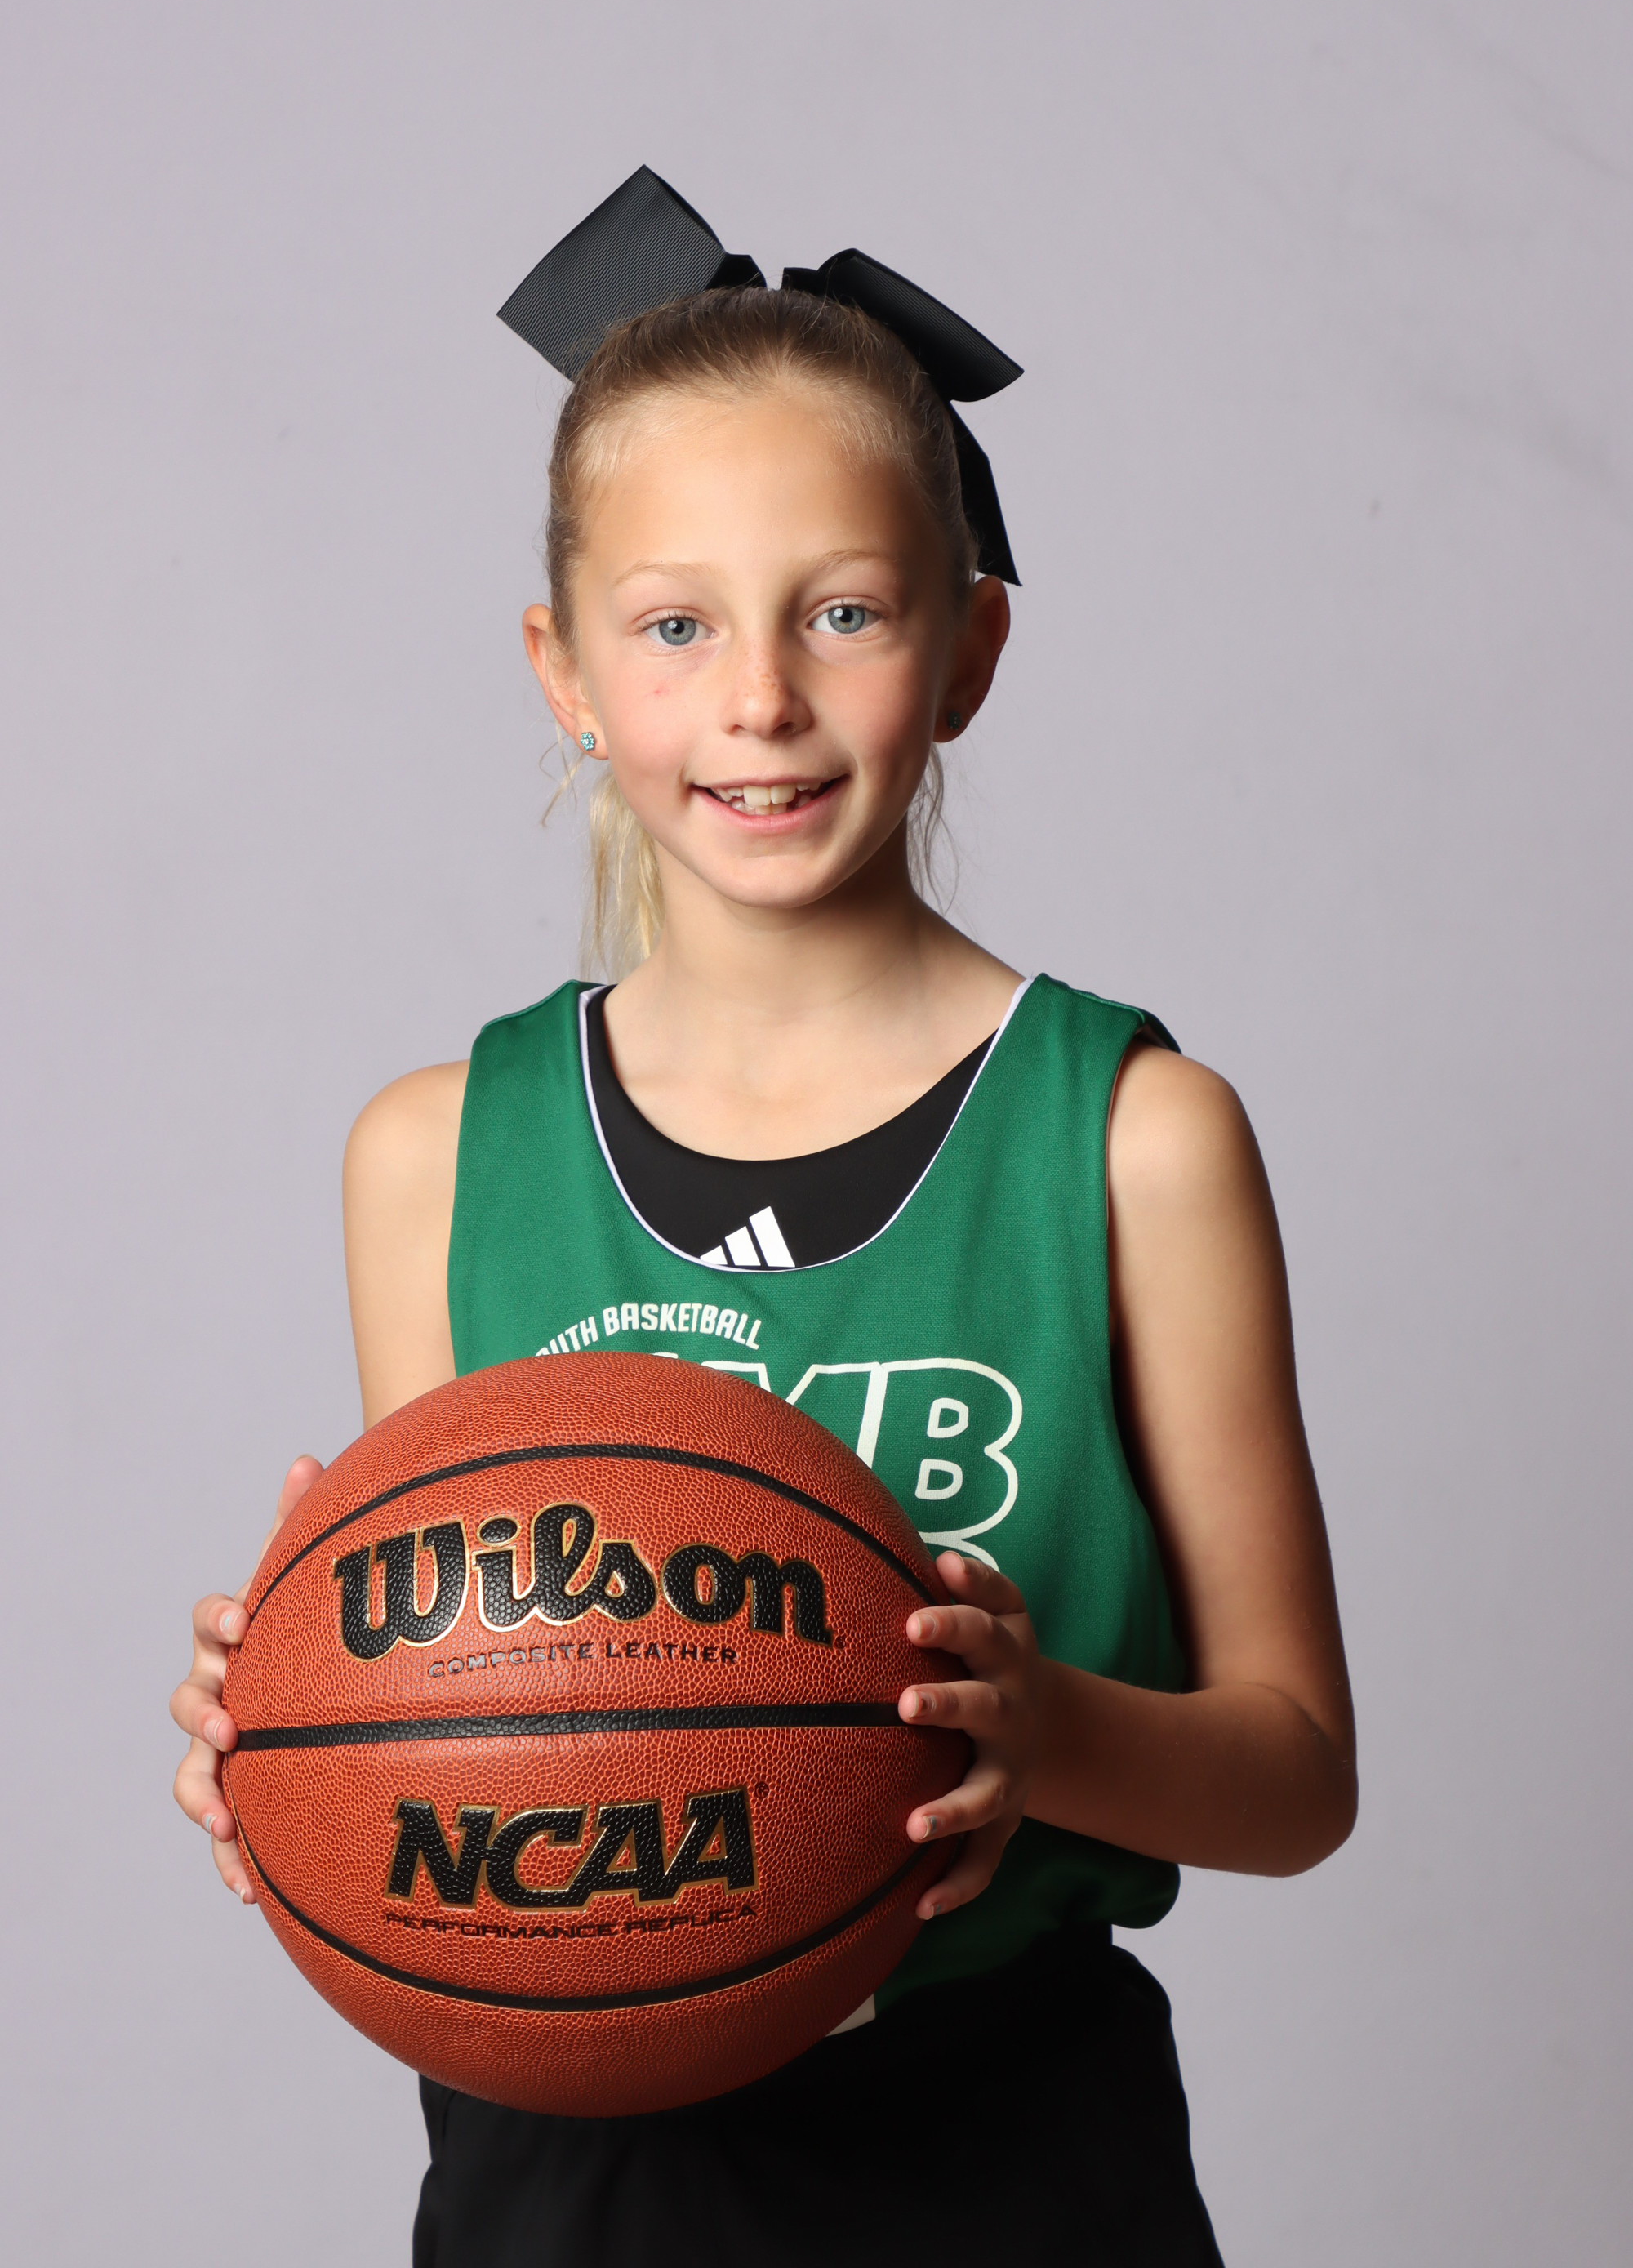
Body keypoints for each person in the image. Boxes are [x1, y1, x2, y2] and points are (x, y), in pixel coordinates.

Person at [170, 171, 1355, 2266]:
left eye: (845, 610)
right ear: (562, 669)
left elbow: (1295, 1775)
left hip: (1009, 2156)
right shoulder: (435, 1153)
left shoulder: (1130, 1135)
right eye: (675, 623)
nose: (759, 699)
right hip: (574, 2170)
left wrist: (1039, 1728)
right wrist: (314, 1729)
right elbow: (477, 1713)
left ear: (968, 646)